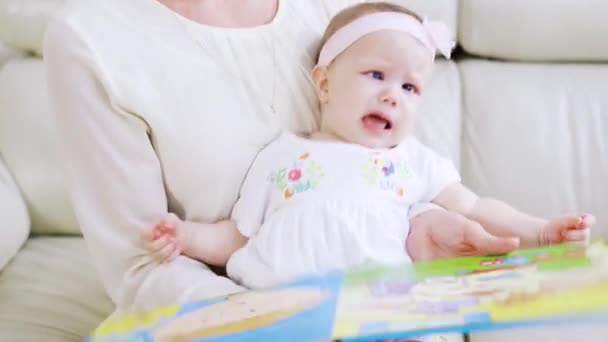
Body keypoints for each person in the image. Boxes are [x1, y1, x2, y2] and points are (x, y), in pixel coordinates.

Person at [42, 0, 578, 319]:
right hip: (239, 317)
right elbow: (189, 249)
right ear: (322, 80)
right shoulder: (91, 36)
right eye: (377, 79)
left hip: (384, 310)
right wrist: (280, 318)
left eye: (410, 87)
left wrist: (425, 234)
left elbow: (403, 192)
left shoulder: (340, 17)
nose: (392, 95)